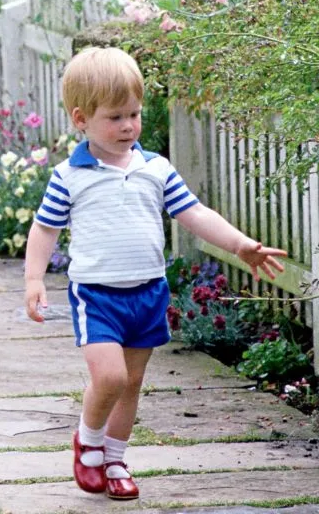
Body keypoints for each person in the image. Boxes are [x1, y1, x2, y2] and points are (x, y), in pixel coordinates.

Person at [23, 47, 286, 500]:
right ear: (81, 119)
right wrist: (33, 280)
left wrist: (241, 244)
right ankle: (87, 442)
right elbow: (44, 228)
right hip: (97, 295)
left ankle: (116, 458)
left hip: (148, 292)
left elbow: (195, 214)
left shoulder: (155, 169)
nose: (128, 126)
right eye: (115, 117)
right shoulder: (69, 177)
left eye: (135, 114)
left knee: (133, 384)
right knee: (111, 379)